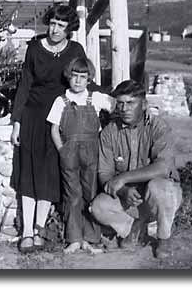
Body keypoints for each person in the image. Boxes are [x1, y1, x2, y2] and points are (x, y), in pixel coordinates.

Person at [10, 4, 86, 253]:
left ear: (69, 29)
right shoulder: (34, 47)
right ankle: (27, 233)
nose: (55, 29)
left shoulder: (75, 50)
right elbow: (24, 86)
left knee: (49, 173)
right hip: (32, 115)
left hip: (59, 119)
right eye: (53, 23)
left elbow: (83, 81)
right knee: (29, 172)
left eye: (61, 26)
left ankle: (40, 230)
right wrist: (17, 123)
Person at [90, 79, 183, 259]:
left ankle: (163, 237)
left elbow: (163, 167)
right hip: (131, 199)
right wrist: (123, 190)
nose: (124, 109)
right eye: (121, 103)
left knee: (161, 188)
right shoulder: (110, 132)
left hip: (156, 194)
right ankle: (134, 228)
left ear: (144, 104)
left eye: (131, 103)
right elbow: (104, 173)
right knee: (98, 207)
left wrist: (124, 178)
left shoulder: (158, 127)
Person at [47, 57, 114, 254]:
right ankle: (74, 238)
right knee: (72, 195)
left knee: (91, 193)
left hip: (92, 154)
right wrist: (62, 150)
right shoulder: (61, 100)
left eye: (82, 77)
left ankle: (90, 238)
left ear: (89, 79)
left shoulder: (95, 98)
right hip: (69, 154)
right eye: (74, 76)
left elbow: (116, 105)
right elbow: (54, 129)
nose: (78, 81)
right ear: (68, 77)